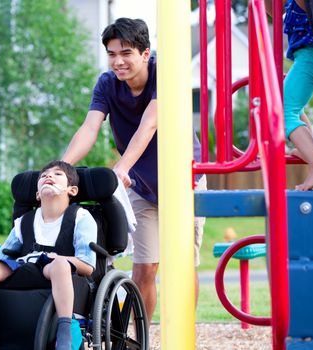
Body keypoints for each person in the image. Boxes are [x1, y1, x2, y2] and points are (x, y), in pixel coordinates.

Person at [61, 17, 206, 322]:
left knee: (181, 265)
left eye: (126, 53)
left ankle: (183, 334)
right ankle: (141, 338)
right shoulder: (107, 83)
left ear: (144, 53)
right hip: (142, 185)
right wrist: (62, 167)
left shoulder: (162, 74)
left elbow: (150, 124)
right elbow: (89, 128)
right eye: (112, 54)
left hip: (183, 182)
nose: (118, 61)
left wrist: (120, 168)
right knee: (144, 266)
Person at [0, 160, 97, 350]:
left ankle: (65, 333)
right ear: (38, 194)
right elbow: (3, 257)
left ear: (72, 190)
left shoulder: (81, 217)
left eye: (57, 174)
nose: (49, 176)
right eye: (44, 175)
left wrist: (58, 258)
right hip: (25, 268)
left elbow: (87, 265)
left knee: (60, 265)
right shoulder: (24, 221)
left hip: (57, 272)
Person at [266, 0, 313, 191]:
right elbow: (275, 12)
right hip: (306, 54)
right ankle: (310, 151)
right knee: (290, 106)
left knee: (280, 109)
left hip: (310, 54)